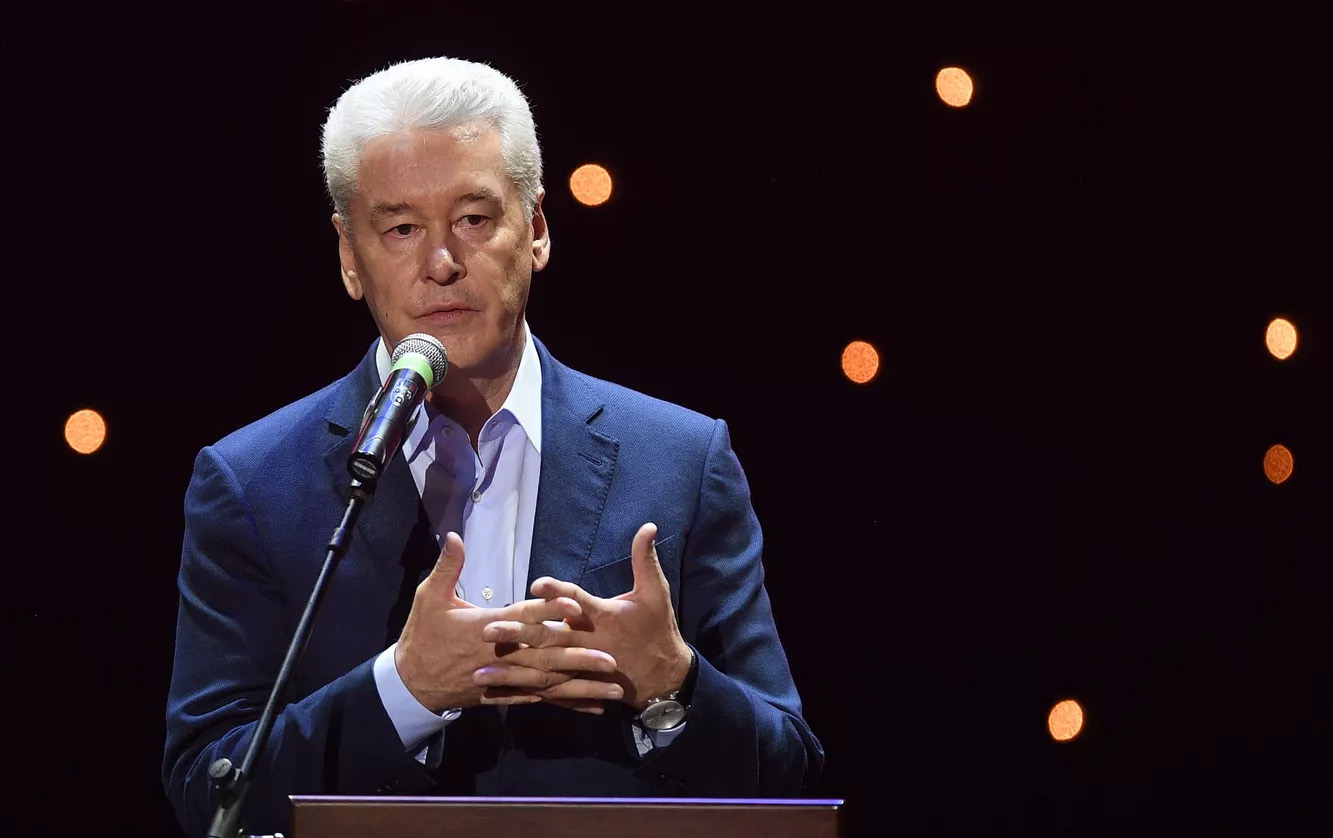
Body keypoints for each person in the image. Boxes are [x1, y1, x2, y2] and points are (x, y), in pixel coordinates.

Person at [163, 56, 822, 836]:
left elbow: (789, 774)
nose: (441, 264)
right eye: (401, 229)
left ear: (535, 229)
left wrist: (670, 684)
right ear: (349, 255)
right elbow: (209, 792)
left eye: (473, 219)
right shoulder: (251, 482)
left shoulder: (680, 459)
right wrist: (404, 690)